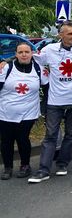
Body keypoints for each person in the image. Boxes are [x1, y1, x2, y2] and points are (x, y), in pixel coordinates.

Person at [28, 21, 72, 183]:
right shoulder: (49, 50)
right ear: (60, 35)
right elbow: (31, 58)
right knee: (51, 135)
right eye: (70, 34)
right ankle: (43, 169)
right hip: (55, 101)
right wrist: (5, 63)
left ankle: (63, 163)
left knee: (71, 134)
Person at [0, 42, 48, 180]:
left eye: (27, 52)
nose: (24, 54)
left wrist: (45, 107)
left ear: (31, 53)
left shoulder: (38, 69)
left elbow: (48, 86)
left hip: (28, 112)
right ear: (16, 54)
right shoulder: (6, 69)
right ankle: (8, 167)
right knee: (6, 140)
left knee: (22, 138)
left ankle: (25, 165)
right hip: (5, 112)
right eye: (20, 52)